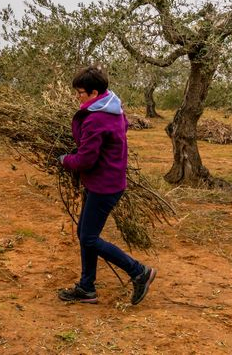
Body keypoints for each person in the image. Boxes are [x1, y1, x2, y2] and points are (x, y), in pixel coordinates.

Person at [57, 65, 156, 305]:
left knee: (89, 238)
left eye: (80, 92)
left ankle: (138, 271)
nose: (77, 96)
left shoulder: (96, 118)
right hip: (108, 180)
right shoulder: (114, 108)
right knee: (85, 233)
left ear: (93, 93)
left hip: (104, 186)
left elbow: (86, 159)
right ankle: (86, 287)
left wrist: (64, 160)